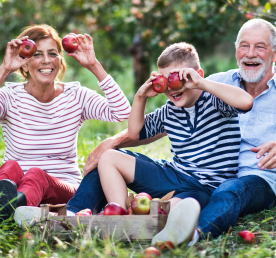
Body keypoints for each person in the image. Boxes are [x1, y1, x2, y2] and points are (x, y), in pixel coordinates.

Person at [63, 19, 276, 244]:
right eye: (244, 45)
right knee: (109, 159)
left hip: (243, 180)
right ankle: (75, 216)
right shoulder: (208, 87)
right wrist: (112, 140)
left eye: (260, 46)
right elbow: (140, 130)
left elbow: (248, 105)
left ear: (275, 53)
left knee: (219, 194)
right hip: (181, 173)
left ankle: (191, 233)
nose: (250, 53)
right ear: (236, 51)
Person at [0, 24, 131, 223]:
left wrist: (94, 65)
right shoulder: (10, 97)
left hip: (64, 188)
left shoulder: (76, 96)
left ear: (60, 60)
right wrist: (4, 69)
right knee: (11, 166)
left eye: (53, 53)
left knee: (36, 175)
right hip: (16, 185)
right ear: (23, 63)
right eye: (37, 54)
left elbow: (122, 112)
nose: (47, 60)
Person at [97, 42, 253, 245]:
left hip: (204, 186)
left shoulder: (215, 101)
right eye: (166, 80)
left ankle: (159, 226)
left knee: (175, 208)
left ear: (197, 74)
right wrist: (140, 96)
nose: (173, 87)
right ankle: (117, 215)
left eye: (179, 78)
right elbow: (135, 132)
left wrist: (201, 83)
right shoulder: (168, 111)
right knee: (109, 157)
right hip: (175, 175)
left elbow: (246, 102)